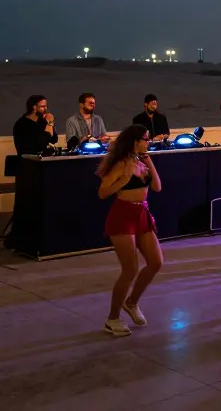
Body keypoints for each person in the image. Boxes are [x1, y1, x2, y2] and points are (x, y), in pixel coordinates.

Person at [96, 124, 163, 337]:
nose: (148, 142)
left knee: (156, 262)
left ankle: (131, 302)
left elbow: (157, 187)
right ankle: (112, 319)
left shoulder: (142, 161)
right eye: (145, 139)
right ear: (134, 141)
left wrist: (149, 162)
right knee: (130, 269)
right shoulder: (121, 164)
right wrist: (124, 180)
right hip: (123, 215)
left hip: (142, 213)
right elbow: (103, 193)